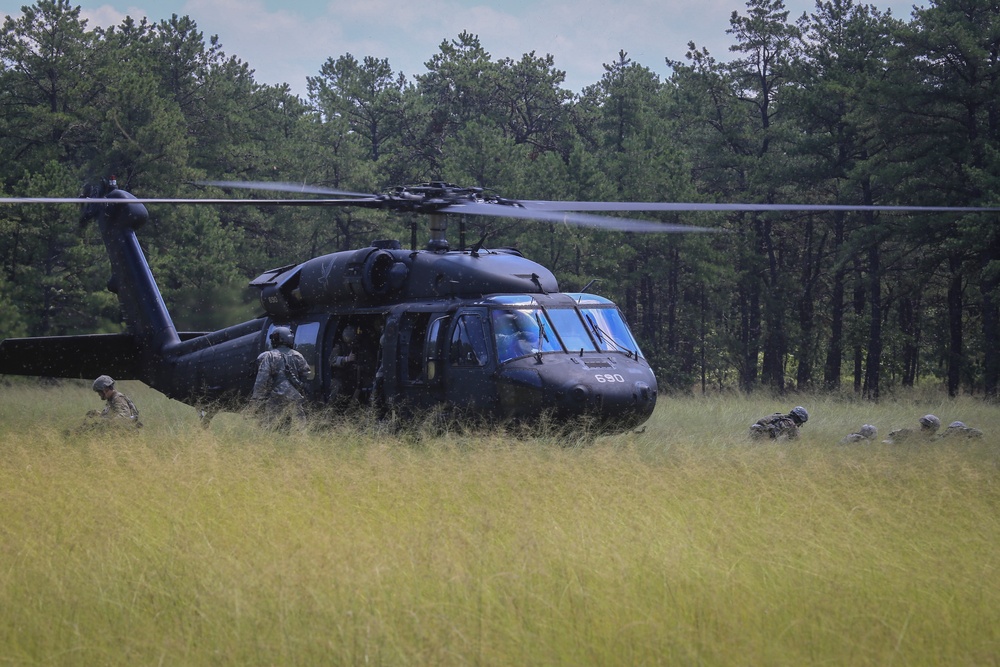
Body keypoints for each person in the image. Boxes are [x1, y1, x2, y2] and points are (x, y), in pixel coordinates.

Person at [252, 326, 311, 429]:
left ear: (276, 340)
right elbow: (306, 374)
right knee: (298, 429)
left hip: (275, 399)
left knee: (270, 429)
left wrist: (256, 400)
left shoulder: (269, 356)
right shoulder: (298, 356)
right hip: (295, 399)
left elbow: (261, 380)